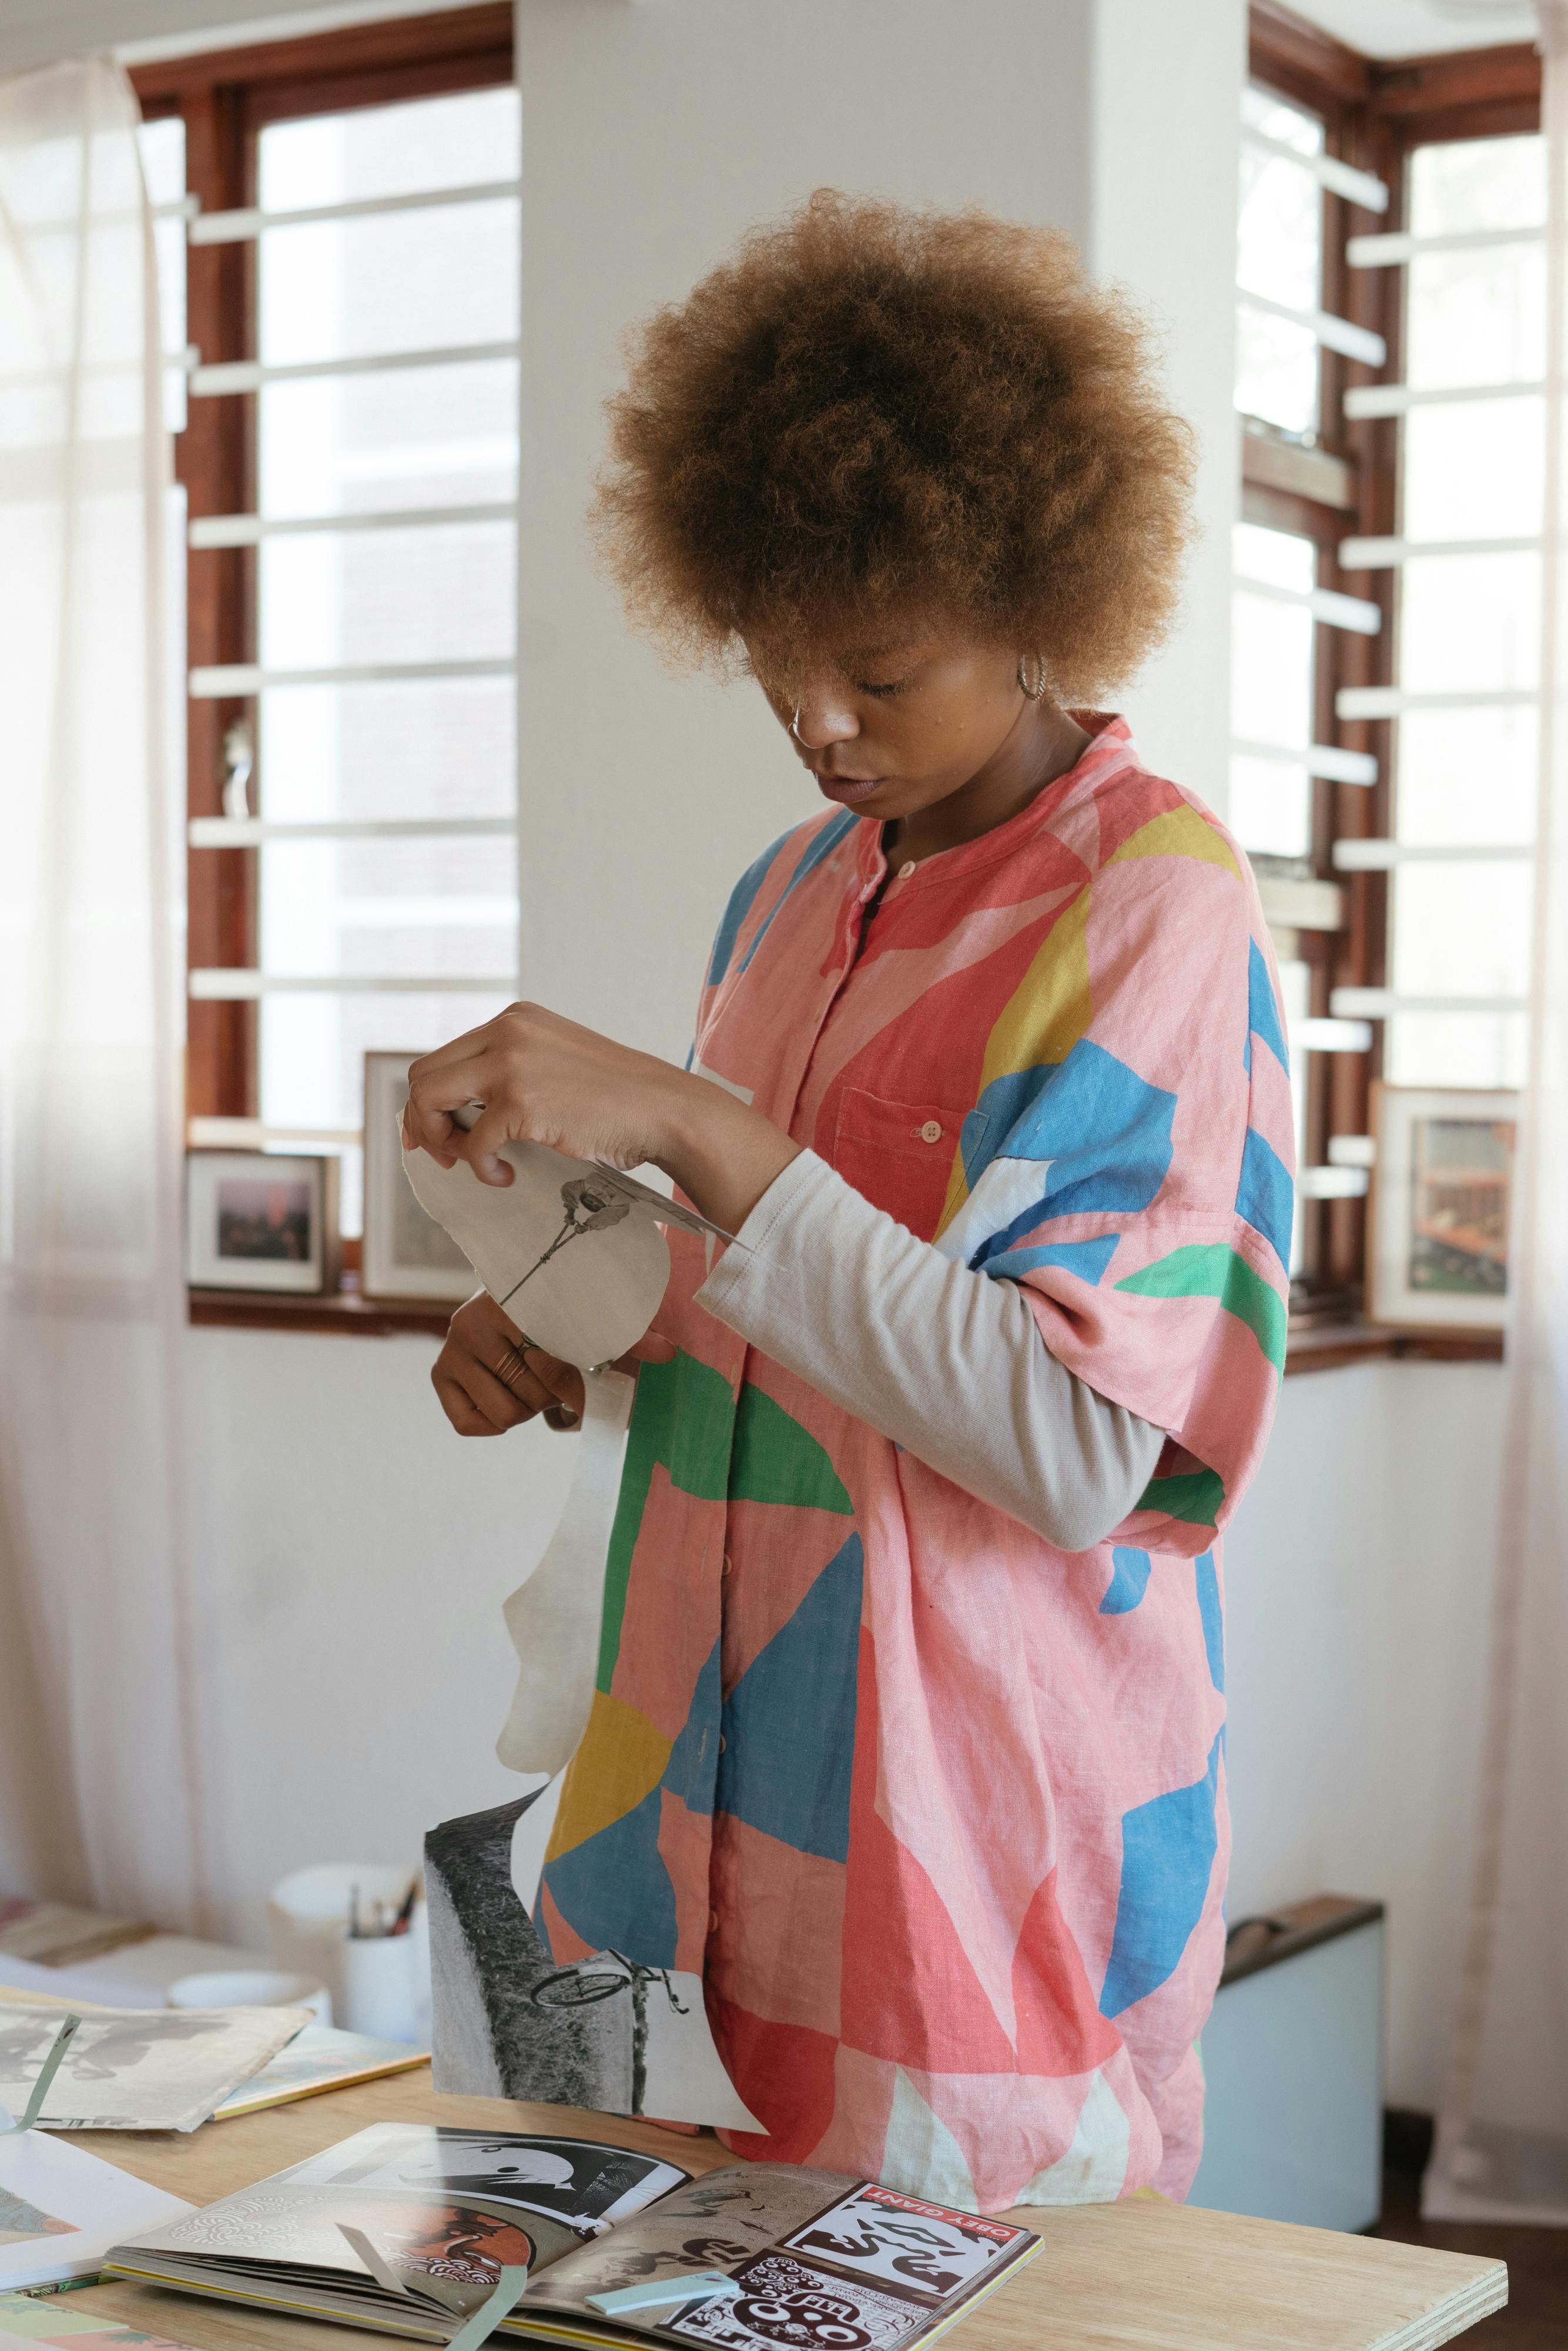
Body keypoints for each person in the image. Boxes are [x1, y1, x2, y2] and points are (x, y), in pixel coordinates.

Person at [404, 192, 1292, 2212]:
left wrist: (693, 1125)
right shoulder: (792, 892)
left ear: (1035, 598)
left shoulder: (1150, 902)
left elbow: (1078, 1446)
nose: (817, 726)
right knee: (666, 2275)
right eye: (776, 667)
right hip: (699, 1802)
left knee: (971, 2286)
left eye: (877, 672)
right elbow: (789, 1305)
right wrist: (570, 1326)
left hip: (969, 1825)